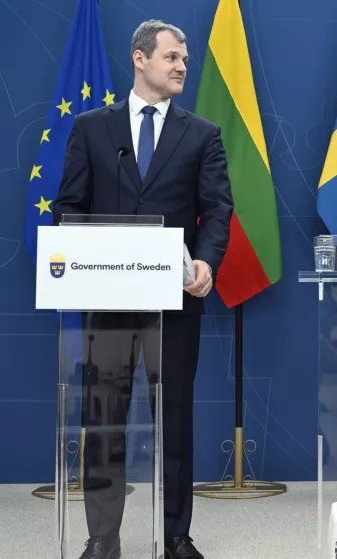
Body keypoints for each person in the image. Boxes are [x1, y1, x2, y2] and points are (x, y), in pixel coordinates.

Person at [52, 19, 233, 559]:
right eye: (172, 57)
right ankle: (102, 538)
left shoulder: (202, 133)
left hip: (174, 306)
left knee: (174, 421)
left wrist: (205, 262)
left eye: (184, 59)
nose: (182, 66)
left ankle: (176, 535)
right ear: (139, 58)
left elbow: (218, 210)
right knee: (103, 419)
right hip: (108, 305)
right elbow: (68, 207)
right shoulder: (91, 127)